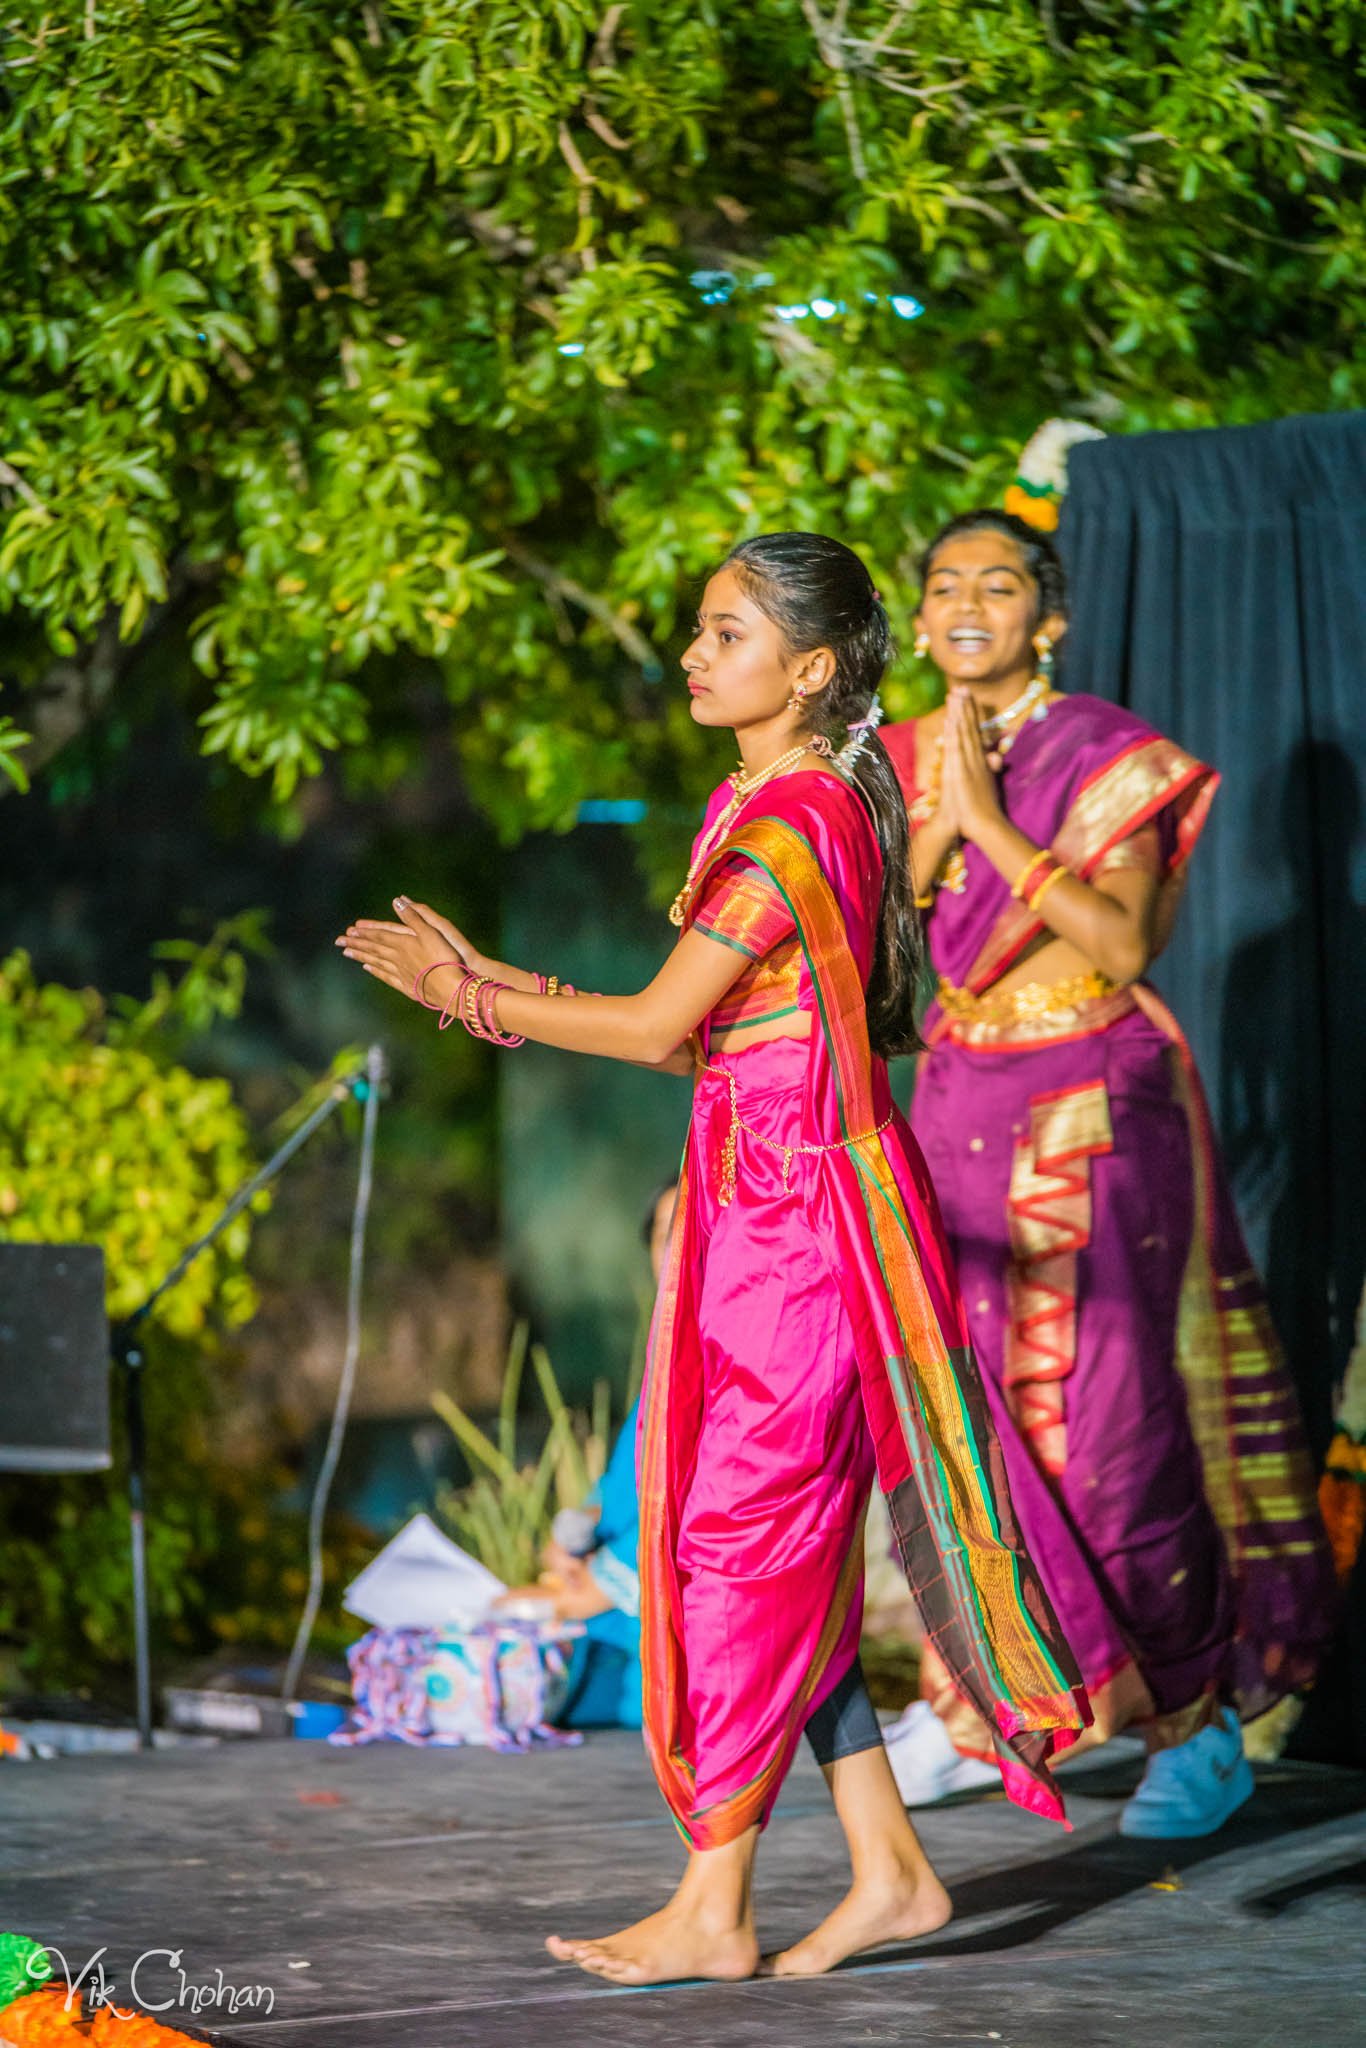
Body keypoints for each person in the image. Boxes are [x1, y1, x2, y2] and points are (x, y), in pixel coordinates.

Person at [338, 531, 1085, 1985]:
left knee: (738, 1548)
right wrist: (489, 979)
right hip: (756, 1207)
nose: (693, 652)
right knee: (757, 1548)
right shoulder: (762, 799)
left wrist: (472, 998)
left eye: (725, 633)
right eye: (697, 629)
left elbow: (638, 1031)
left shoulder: (797, 817)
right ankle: (885, 1871)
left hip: (800, 1225)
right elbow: (694, 1033)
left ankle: (713, 1906)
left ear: (807, 670)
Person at [879, 509, 1334, 1835]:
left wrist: (984, 820)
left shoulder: (1102, 756)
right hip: (955, 1093)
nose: (969, 603)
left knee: (1114, 1435)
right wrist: (934, 816)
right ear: (917, 620)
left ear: (1049, 615)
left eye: (999, 584)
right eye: (945, 583)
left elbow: (1120, 940)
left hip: (1090, 1099)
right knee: (962, 1422)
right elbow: (884, 947)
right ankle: (977, 1708)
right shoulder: (895, 759)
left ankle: (1193, 1731)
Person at [502, 1182, 679, 1731]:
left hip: (663, 1629)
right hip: (611, 1615)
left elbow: (702, 1502)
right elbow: (623, 1483)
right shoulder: (667, 1347)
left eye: (692, 1230)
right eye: (662, 1235)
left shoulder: (734, 1352)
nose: (675, 1248)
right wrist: (572, 1539)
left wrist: (584, 1592)